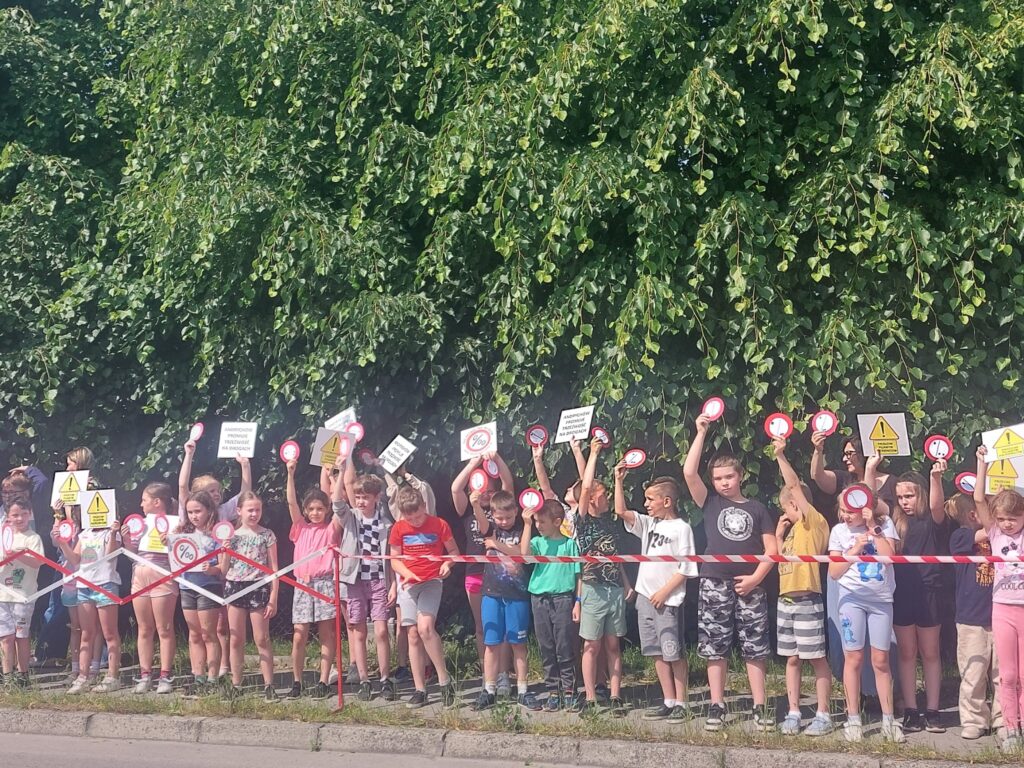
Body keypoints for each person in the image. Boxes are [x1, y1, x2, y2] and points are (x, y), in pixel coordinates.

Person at [682, 414, 777, 731]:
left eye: (729, 477)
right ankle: (717, 704)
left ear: (741, 476)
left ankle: (760, 705)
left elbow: (772, 549)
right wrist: (700, 432)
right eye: (718, 478)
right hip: (714, 582)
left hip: (751, 585)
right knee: (715, 646)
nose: (723, 482)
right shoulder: (709, 503)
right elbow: (689, 472)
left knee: (755, 647)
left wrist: (756, 579)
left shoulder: (758, 508)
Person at [613, 469, 697, 724]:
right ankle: (668, 699)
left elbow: (686, 568)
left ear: (667, 501)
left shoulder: (682, 528)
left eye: (651, 499)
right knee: (655, 651)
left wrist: (664, 591)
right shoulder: (649, 524)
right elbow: (621, 511)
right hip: (645, 598)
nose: (646, 504)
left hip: (667, 600)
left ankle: (682, 702)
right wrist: (618, 480)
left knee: (673, 652)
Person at [828, 488, 904, 743]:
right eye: (843, 510)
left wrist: (874, 529)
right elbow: (834, 572)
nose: (845, 516)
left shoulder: (885, 524)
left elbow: (889, 557)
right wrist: (854, 550)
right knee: (854, 658)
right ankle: (853, 718)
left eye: (851, 511)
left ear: (866, 509)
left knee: (881, 660)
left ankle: (889, 720)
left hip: (881, 600)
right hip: (852, 599)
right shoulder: (839, 532)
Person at [771, 438, 833, 736]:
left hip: (808, 599)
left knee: (816, 658)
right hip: (786, 601)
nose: (785, 512)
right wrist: (779, 537)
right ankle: (794, 711)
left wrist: (781, 456)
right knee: (792, 658)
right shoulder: (793, 530)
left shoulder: (813, 523)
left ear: (794, 504)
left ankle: (823, 713)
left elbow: (793, 484)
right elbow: (782, 564)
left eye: (786, 508)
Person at [886, 462, 953, 733]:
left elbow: (937, 505)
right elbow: (869, 500)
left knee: (930, 652)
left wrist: (935, 477)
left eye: (909, 496)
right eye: (900, 497)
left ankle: (933, 711)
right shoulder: (894, 521)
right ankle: (911, 711)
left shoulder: (933, 520)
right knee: (906, 653)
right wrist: (872, 467)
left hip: (929, 590)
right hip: (902, 592)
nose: (904, 502)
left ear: (921, 494)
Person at [178, 438, 252, 679]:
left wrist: (245, 466)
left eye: (218, 490)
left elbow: (244, 494)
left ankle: (221, 669)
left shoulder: (222, 512)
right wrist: (189, 454)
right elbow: (182, 487)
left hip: (217, 575)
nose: (216, 494)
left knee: (219, 626)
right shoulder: (190, 513)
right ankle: (201, 673)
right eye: (211, 491)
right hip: (190, 582)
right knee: (199, 630)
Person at [575, 437, 632, 717]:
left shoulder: (609, 520)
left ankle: (616, 695)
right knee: (591, 645)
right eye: (603, 493)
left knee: (612, 644)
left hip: (615, 588)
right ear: (592, 499)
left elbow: (615, 554)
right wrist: (593, 452)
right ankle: (589, 697)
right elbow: (585, 486)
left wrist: (626, 582)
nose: (606, 496)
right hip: (593, 588)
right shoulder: (583, 520)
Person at [388, 484, 458, 708]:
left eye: (418, 516)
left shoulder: (439, 524)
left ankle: (444, 681)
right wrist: (407, 574)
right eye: (410, 519)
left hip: (431, 581)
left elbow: (454, 552)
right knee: (412, 634)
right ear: (402, 514)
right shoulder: (398, 528)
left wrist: (447, 564)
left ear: (424, 506)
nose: (416, 522)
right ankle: (420, 689)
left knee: (426, 628)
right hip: (408, 584)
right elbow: (394, 559)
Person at [333, 457, 396, 701]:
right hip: (354, 580)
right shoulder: (351, 517)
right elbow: (337, 503)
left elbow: (391, 556)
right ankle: (364, 680)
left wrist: (393, 584)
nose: (360, 501)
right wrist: (341, 472)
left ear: (376, 498)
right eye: (358, 497)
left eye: (365, 497)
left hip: (379, 579)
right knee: (357, 631)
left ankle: (384, 678)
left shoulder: (385, 522)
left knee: (381, 631)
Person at [451, 451, 514, 694]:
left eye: (490, 490)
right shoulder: (467, 509)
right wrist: (473, 463)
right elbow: (455, 488)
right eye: (482, 489)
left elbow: (507, 482)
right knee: (483, 627)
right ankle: (487, 674)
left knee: (505, 626)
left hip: (500, 571)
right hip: (475, 572)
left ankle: (504, 675)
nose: (486, 493)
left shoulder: (501, 506)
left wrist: (496, 459)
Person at [974, 449, 1024, 753]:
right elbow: (980, 499)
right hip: (1003, 607)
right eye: (1002, 518)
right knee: (1008, 674)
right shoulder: (993, 532)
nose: (1007, 524)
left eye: (1013, 519)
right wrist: (982, 464)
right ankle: (1011, 728)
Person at [471, 488, 538, 710]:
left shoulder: (522, 528)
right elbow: (483, 523)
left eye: (508, 517)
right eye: (499, 517)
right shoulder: (490, 529)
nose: (504, 521)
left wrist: (525, 525)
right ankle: (489, 689)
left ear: (516, 512)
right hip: (491, 593)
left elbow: (524, 554)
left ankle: (523, 690)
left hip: (517, 595)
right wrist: (475, 504)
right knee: (491, 644)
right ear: (493, 515)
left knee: (518, 644)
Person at [945, 487, 1001, 740]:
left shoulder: (1002, 535)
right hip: (970, 617)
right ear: (972, 514)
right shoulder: (960, 536)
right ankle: (974, 719)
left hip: (1000, 613)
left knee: (1002, 673)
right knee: (973, 672)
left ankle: (1003, 719)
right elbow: (988, 531)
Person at [286, 459, 343, 700]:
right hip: (302, 584)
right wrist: (290, 474)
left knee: (326, 633)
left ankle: (323, 680)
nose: (316, 513)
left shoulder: (331, 528)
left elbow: (338, 504)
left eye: (320, 508)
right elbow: (291, 502)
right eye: (311, 509)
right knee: (299, 633)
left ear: (326, 510)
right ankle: (297, 681)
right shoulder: (300, 528)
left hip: (325, 583)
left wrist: (335, 476)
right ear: (306, 510)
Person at [521, 498, 581, 711]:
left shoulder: (569, 545)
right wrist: (527, 525)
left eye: (542, 522)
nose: (538, 525)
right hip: (539, 598)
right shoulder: (538, 542)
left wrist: (578, 602)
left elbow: (578, 576)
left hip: (563, 598)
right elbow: (525, 557)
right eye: (536, 522)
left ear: (557, 522)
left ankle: (569, 690)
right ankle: (553, 691)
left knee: (564, 645)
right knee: (546, 646)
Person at [120, 482, 178, 694]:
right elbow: (133, 554)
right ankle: (145, 675)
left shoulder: (175, 524)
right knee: (144, 628)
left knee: (164, 628)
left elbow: (181, 555)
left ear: (156, 502)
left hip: (163, 576)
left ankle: (165, 675)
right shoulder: (140, 524)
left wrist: (170, 541)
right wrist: (127, 540)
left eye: (144, 500)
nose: (141, 504)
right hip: (139, 577)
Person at [220, 492, 279, 701]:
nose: (254, 514)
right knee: (236, 637)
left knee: (262, 638)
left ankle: (269, 685)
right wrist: (224, 552)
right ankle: (236, 684)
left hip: (258, 587)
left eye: (257, 510)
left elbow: (274, 569)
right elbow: (223, 570)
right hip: (235, 587)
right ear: (239, 511)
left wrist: (273, 598)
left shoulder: (267, 535)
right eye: (250, 510)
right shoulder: (231, 536)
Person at [166, 491, 224, 693]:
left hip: (208, 587)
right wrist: (167, 542)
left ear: (209, 510)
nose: (194, 516)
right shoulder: (182, 532)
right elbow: (175, 557)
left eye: (198, 511)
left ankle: (213, 679)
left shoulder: (217, 533)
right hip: (187, 587)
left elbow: (222, 567)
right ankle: (198, 677)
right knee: (194, 633)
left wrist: (212, 569)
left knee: (209, 633)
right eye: (190, 512)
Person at [61, 514, 123, 694]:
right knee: (86, 632)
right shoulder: (84, 534)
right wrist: (63, 542)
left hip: (106, 584)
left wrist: (114, 533)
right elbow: (75, 559)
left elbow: (110, 556)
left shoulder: (111, 533)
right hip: (84, 586)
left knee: (109, 632)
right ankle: (83, 676)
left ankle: (112, 676)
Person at [0, 499, 45, 686]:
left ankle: (23, 675)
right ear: (8, 517)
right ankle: (7, 676)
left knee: (21, 636)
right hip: (3, 594)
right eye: (15, 515)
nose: (19, 518)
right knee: (6, 637)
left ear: (30, 514)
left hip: (23, 595)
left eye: (23, 514)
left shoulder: (33, 538)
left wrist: (19, 555)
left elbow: (38, 562)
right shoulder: (3, 537)